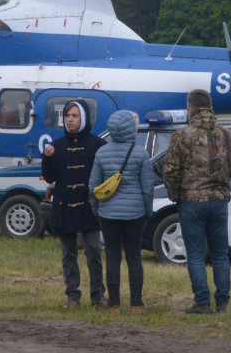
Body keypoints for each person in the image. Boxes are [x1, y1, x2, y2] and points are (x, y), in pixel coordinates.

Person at [161, 89, 231, 314]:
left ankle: (202, 302)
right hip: (219, 201)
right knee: (220, 254)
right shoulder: (227, 135)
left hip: (191, 201)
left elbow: (170, 170)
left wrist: (175, 194)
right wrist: (221, 177)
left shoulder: (181, 136)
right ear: (211, 108)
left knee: (196, 255)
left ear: (190, 109)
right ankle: (222, 302)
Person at [42, 100, 108, 309]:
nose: (70, 119)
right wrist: (46, 159)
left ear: (84, 118)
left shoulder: (98, 145)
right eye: (67, 116)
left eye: (75, 116)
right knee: (68, 254)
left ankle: (98, 296)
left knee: (94, 252)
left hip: (89, 207)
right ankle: (72, 296)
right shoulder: (57, 145)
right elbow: (50, 177)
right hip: (64, 205)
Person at [89, 110, 154, 316]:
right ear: (131, 129)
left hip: (108, 213)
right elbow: (148, 188)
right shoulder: (141, 153)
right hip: (135, 213)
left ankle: (114, 304)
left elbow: (93, 185)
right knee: (134, 256)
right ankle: (137, 304)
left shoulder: (101, 153)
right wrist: (147, 211)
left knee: (112, 256)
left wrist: (96, 209)